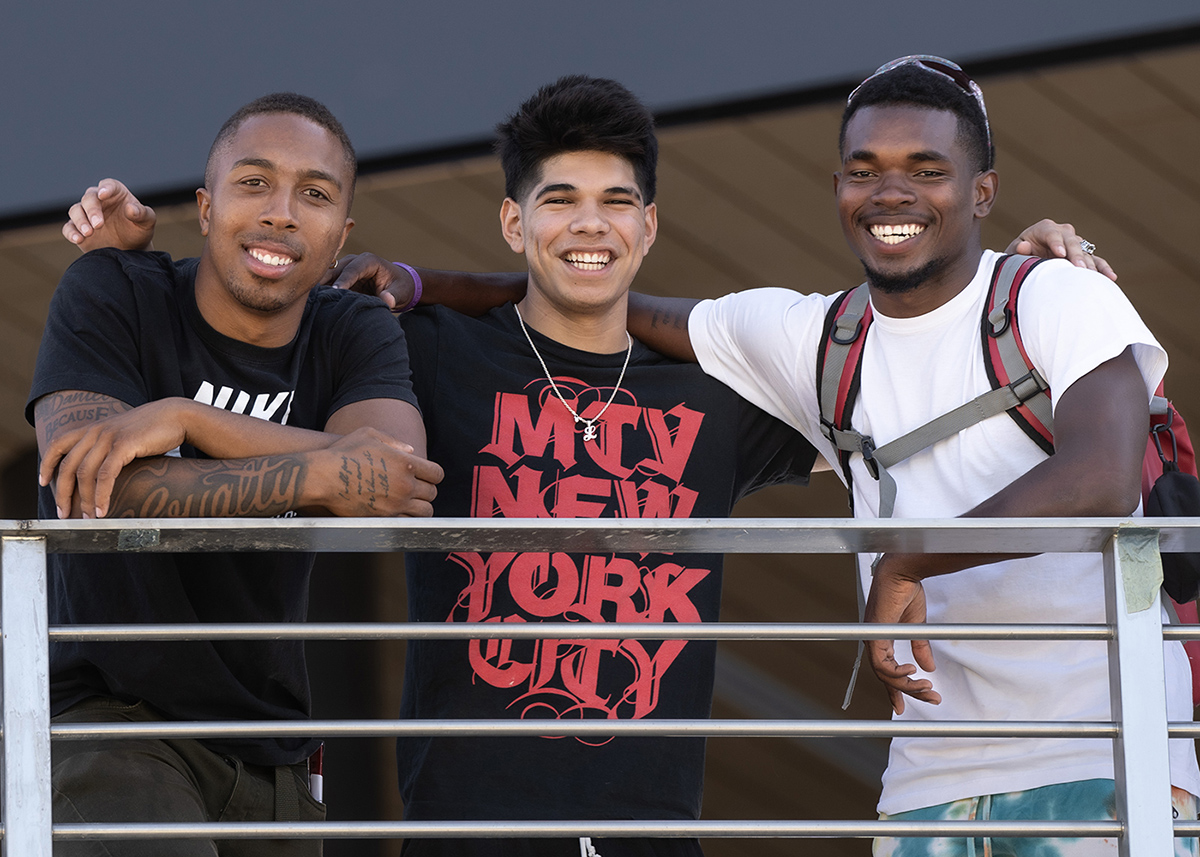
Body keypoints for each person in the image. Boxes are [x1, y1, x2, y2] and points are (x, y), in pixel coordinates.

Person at [66, 75, 1100, 857]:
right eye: (558, 199)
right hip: (462, 825)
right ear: (515, 222)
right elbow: (272, 318)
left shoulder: (725, 393)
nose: (588, 225)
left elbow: (916, 375)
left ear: (648, 227)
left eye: (615, 201)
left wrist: (1017, 280)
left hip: (652, 827)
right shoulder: (426, 350)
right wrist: (127, 267)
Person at [610, 57, 1200, 855]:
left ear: (982, 191)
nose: (891, 192)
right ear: (837, 188)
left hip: (1105, 760)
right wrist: (435, 291)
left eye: (927, 170)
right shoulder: (818, 338)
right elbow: (603, 305)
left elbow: (1101, 476)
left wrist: (907, 562)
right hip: (927, 789)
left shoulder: (1057, 293)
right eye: (865, 171)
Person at [31, 92, 443, 857]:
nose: (281, 212)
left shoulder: (350, 329)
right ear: (206, 207)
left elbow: (398, 479)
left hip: (274, 752)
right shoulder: (114, 290)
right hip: (114, 724)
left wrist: (188, 420)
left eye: (313, 194)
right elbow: (92, 489)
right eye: (254, 182)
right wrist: (324, 470)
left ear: (340, 235)